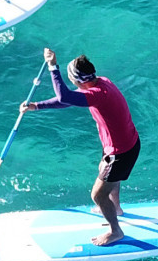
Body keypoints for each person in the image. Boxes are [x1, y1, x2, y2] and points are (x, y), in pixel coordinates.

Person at [23, 47, 141, 245]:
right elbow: (69, 100)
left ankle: (115, 231)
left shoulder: (98, 94)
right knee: (106, 173)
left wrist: (53, 67)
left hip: (121, 152)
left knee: (97, 194)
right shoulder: (100, 83)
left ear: (76, 80)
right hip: (124, 144)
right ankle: (116, 208)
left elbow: (65, 97)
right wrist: (37, 106)